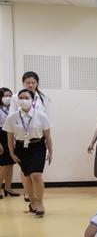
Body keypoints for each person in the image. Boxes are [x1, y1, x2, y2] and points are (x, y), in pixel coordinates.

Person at [2, 89, 53, 217]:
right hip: (21, 148)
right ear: (17, 100)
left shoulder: (41, 115)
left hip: (38, 147)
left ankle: (40, 202)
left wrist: (51, 152)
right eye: (21, 98)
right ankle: (32, 202)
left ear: (32, 100)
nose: (23, 100)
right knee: (27, 177)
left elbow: (48, 136)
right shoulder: (12, 117)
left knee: (36, 175)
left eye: (26, 97)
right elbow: (9, 137)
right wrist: (12, 153)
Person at [9, 71, 50, 202]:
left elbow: (45, 117)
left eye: (33, 82)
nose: (31, 85)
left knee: (36, 171)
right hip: (21, 135)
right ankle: (28, 192)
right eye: (28, 82)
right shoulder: (16, 97)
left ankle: (37, 196)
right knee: (25, 169)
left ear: (37, 83)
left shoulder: (42, 98)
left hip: (37, 135)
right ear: (23, 83)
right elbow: (11, 116)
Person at [0, 88, 19, 199]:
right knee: (3, 165)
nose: (9, 98)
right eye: (6, 96)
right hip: (1, 136)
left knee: (10, 164)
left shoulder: (12, 109)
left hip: (10, 135)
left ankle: (8, 187)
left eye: (10, 96)